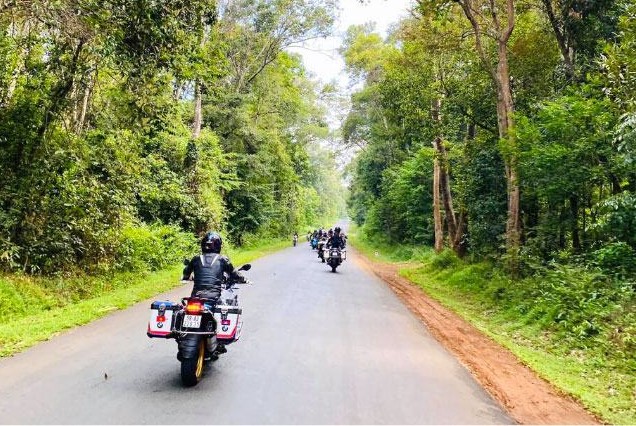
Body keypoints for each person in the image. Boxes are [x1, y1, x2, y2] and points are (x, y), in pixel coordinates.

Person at [181, 231, 246, 355]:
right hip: (212, 298)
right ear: (218, 245)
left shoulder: (195, 259)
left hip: (195, 298)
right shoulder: (222, 259)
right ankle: (219, 343)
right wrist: (243, 279)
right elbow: (234, 274)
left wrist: (186, 277)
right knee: (222, 311)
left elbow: (186, 273)